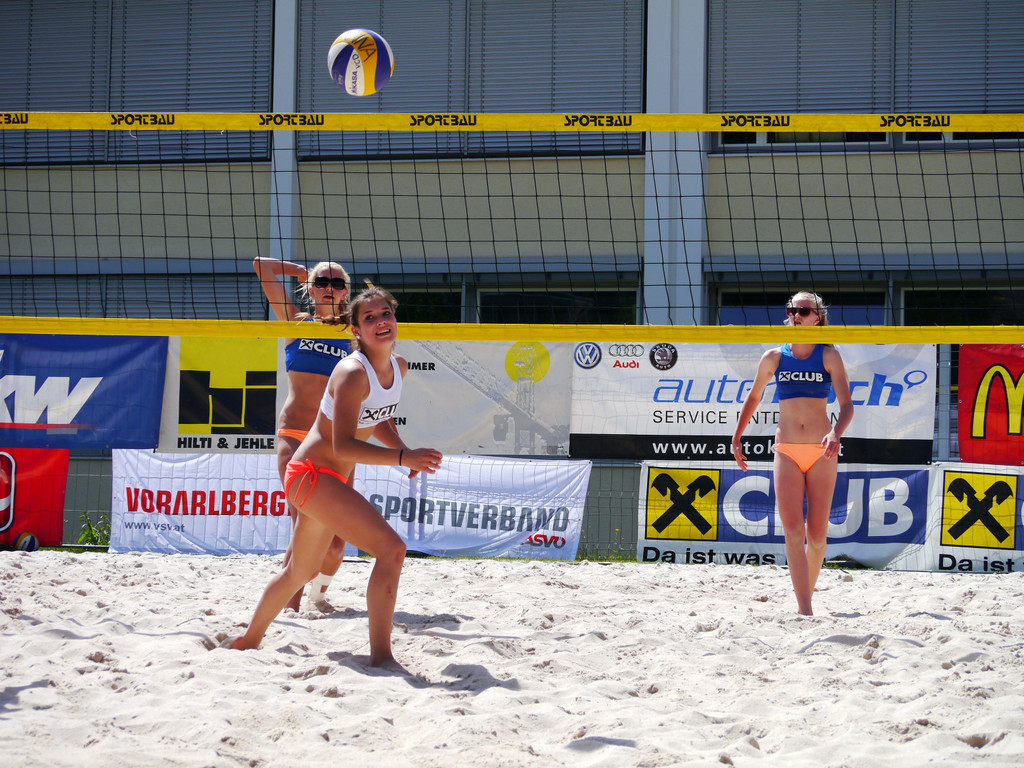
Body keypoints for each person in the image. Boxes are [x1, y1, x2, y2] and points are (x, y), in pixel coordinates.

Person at [231, 285, 443, 667]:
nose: (380, 321)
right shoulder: (350, 372)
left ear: (395, 318)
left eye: (385, 313)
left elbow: (377, 417)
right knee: (392, 550)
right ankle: (382, 657)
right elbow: (342, 445)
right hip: (310, 474)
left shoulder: (398, 367)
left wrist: (404, 452)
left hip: (325, 478)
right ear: (356, 331)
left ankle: (247, 641)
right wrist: (402, 457)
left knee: (300, 572)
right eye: (369, 317)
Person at [732, 291, 854, 616]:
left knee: (817, 536)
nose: (796, 315)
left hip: (821, 451)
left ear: (818, 317)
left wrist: (835, 432)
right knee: (793, 532)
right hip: (786, 449)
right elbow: (754, 397)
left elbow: (847, 406)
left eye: (803, 310)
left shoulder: (829, 355)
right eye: (792, 310)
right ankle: (805, 609)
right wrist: (737, 435)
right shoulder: (774, 357)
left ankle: (805, 598)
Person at [253, 256, 352, 612]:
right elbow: (260, 266)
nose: (329, 288)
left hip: (335, 441)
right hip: (294, 434)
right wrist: (299, 271)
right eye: (322, 282)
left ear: (346, 293)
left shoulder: (354, 333)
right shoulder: (296, 321)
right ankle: (289, 606)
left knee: (336, 543)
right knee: (303, 525)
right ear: (310, 289)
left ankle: (318, 596)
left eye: (337, 283)